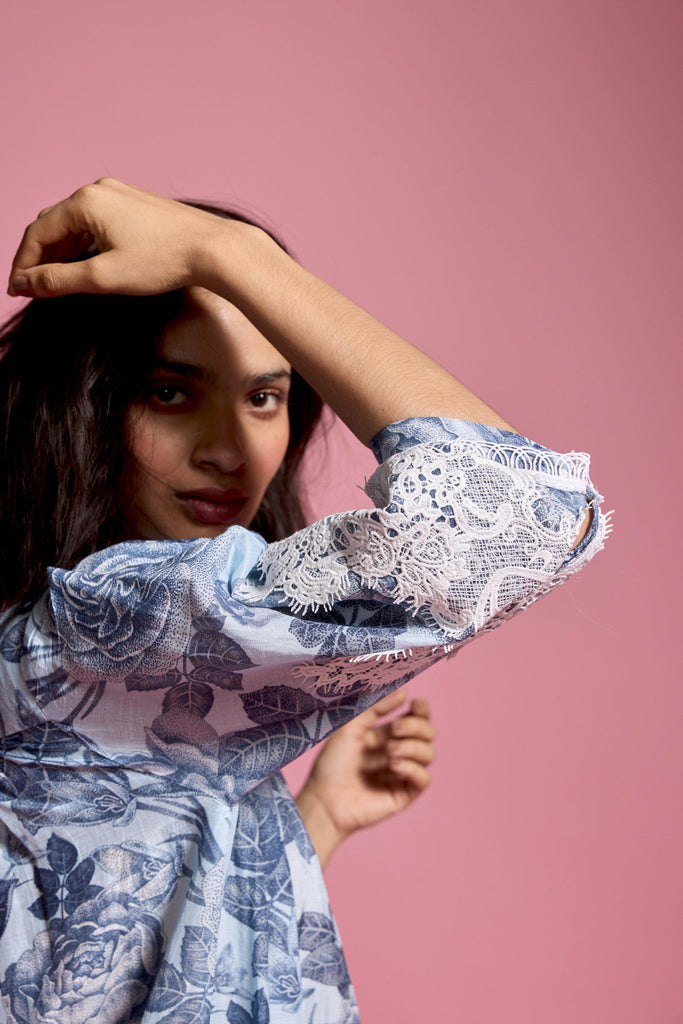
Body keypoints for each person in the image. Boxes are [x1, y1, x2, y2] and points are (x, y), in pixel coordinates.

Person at [0, 179, 608, 1023]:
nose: (229, 450)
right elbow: (524, 514)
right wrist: (233, 254)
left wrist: (312, 817)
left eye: (263, 397)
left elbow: (116, 971)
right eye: (170, 391)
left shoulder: (57, 638)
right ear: (82, 404)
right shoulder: (113, 621)